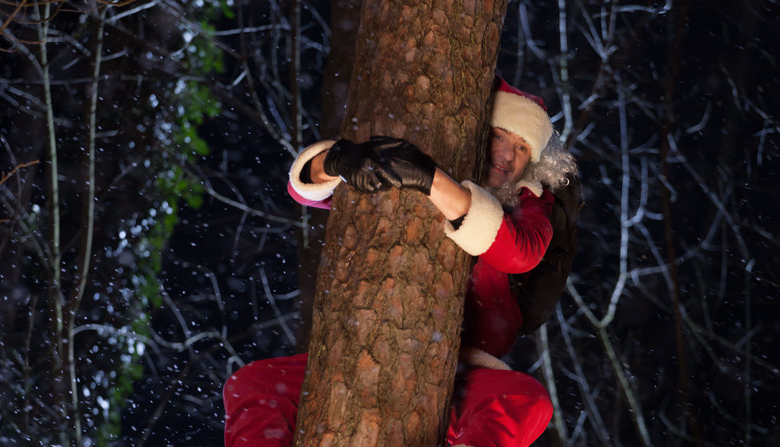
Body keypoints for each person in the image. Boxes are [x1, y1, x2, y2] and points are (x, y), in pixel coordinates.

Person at [222, 78, 578, 447]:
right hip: (362, 348)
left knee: (525, 401)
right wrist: (340, 161)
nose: (506, 154)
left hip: (456, 373)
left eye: (522, 147)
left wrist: (431, 181)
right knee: (252, 383)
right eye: (500, 135)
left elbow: (518, 253)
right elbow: (305, 189)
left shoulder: (531, 202)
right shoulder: (443, 159)